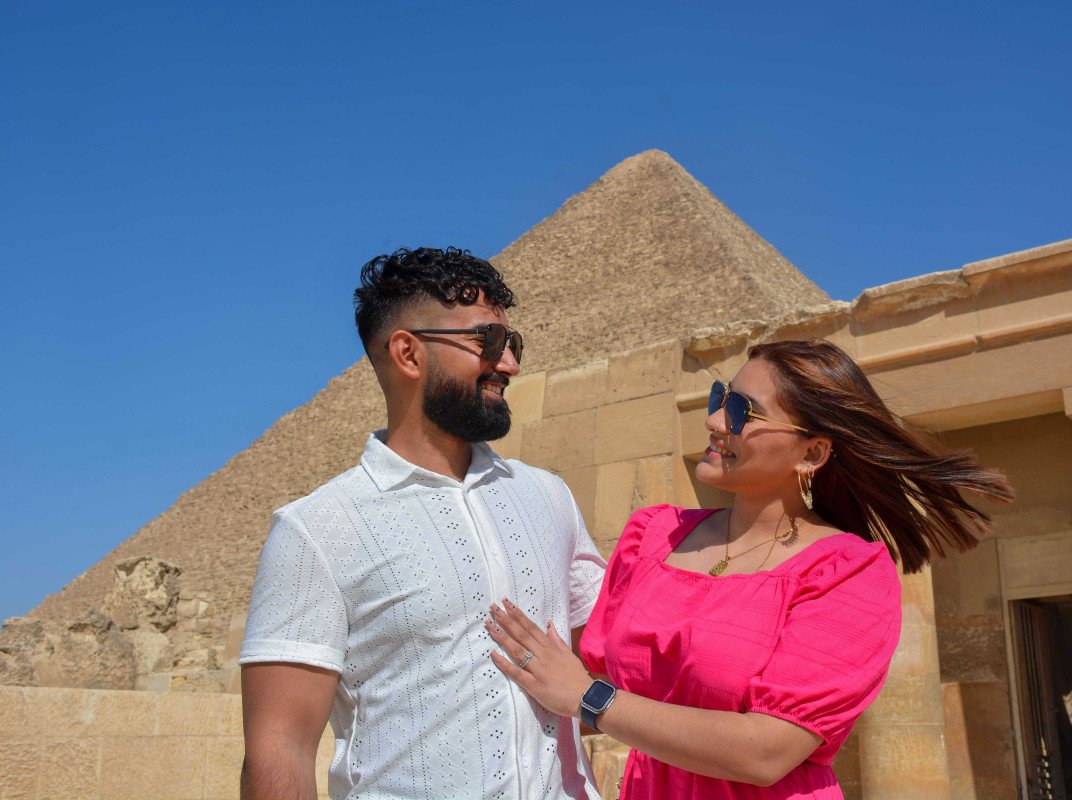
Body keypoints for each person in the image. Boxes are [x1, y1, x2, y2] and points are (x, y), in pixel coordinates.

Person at [485, 338, 1013, 799]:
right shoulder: (653, 536)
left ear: (812, 453)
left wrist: (587, 697)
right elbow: (590, 680)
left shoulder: (847, 572)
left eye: (743, 411)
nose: (715, 421)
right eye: (721, 397)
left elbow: (766, 752)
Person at [239, 247, 606, 800]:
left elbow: (619, 659)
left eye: (512, 342)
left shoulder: (548, 497)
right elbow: (280, 748)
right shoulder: (318, 529)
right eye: (487, 341)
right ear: (408, 354)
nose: (510, 364)